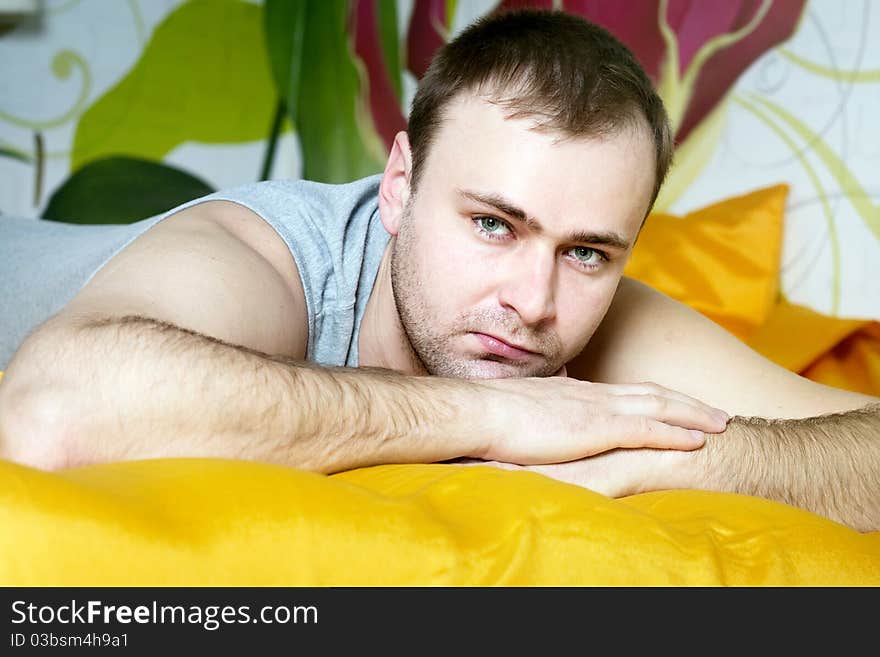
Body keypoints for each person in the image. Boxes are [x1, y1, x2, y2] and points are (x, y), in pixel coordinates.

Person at [0, 9, 877, 532]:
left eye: (586, 252)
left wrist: (669, 464)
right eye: (493, 224)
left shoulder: (591, 309)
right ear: (399, 185)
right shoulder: (266, 256)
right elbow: (50, 416)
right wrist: (497, 414)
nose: (533, 305)